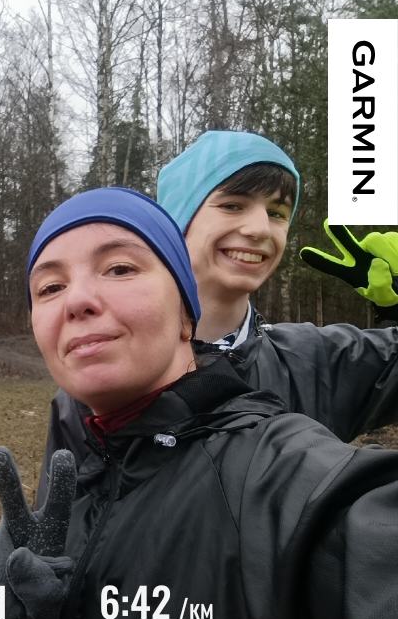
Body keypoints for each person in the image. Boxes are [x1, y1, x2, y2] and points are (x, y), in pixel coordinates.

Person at [0, 189, 398, 619]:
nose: (76, 299)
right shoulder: (85, 479)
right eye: (50, 286)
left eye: (120, 268)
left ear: (187, 317)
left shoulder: (284, 479)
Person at [36, 131, 398, 507]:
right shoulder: (104, 375)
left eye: (276, 213)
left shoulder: (317, 359)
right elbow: (62, 524)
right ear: (177, 226)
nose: (260, 229)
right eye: (233, 205)